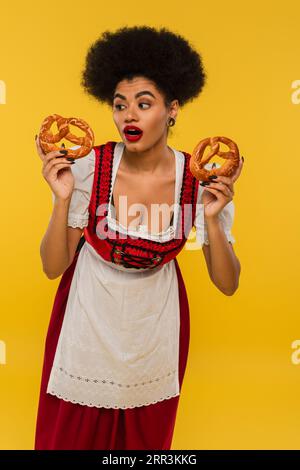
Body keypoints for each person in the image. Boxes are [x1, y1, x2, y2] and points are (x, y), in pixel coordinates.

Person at [34, 25, 242, 450]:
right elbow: (53, 267)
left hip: (156, 326)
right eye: (119, 105)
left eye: (144, 104)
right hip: (86, 319)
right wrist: (61, 199)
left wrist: (213, 219)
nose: (129, 115)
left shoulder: (199, 180)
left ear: (173, 110)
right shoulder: (90, 168)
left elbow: (228, 284)